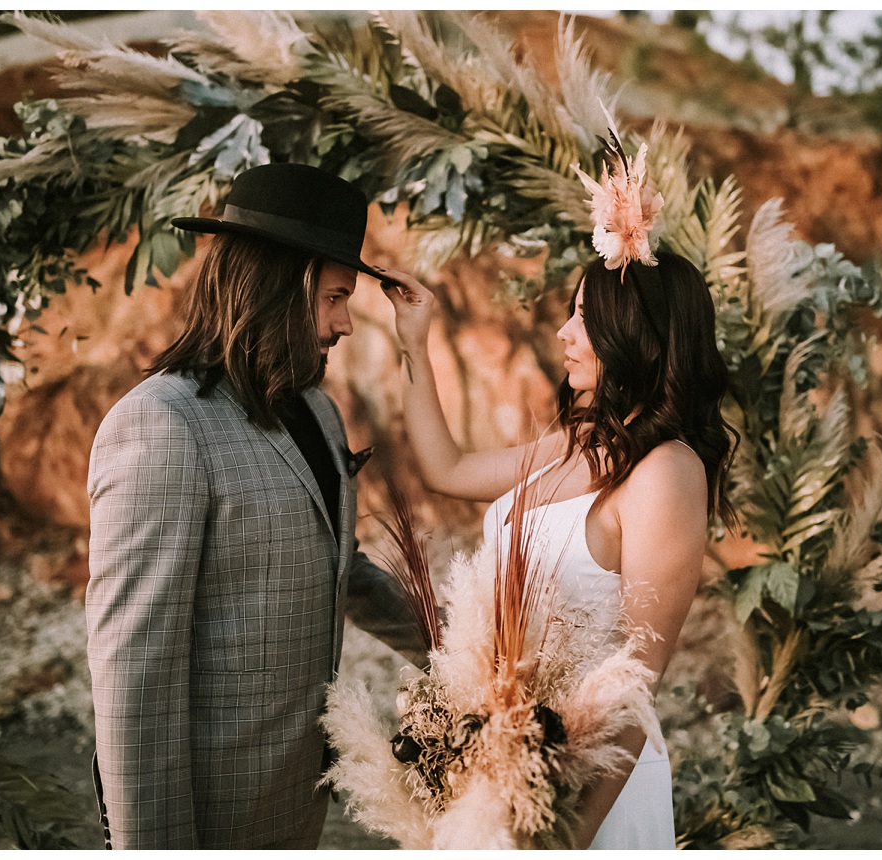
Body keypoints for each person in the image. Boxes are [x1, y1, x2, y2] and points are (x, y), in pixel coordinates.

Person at [86, 162, 424, 850]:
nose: (345, 324)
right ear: (280, 285)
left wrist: (464, 645)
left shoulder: (318, 413)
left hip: (297, 807)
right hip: (210, 818)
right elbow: (134, 685)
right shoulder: (161, 426)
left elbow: (341, 569)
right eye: (335, 297)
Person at [378, 240, 738, 847]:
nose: (565, 334)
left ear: (634, 335)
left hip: (593, 789)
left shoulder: (666, 473)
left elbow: (635, 684)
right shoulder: (575, 445)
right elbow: (447, 468)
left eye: (585, 320)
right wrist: (415, 340)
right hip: (512, 768)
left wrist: (567, 839)